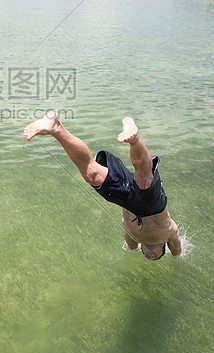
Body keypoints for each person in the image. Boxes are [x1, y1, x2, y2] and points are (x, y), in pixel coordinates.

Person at [24, 111, 182, 260]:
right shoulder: (170, 234)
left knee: (91, 174)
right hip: (153, 207)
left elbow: (130, 249)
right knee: (144, 182)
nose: (151, 257)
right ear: (164, 247)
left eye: (149, 257)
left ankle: (56, 128)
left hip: (127, 201)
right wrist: (178, 255)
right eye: (157, 255)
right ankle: (134, 139)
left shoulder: (133, 242)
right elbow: (179, 253)